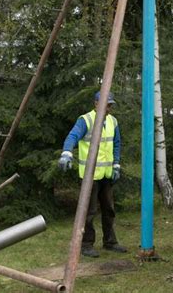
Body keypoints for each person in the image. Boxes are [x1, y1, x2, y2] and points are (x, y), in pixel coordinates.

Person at [58, 91, 127, 257]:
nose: (108, 108)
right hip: (90, 175)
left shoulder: (112, 121)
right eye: (106, 104)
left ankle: (110, 242)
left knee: (109, 209)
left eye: (110, 105)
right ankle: (86, 244)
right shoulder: (86, 120)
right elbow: (72, 136)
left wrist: (116, 164)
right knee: (88, 211)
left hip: (106, 174)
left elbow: (116, 144)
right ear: (96, 103)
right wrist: (67, 152)